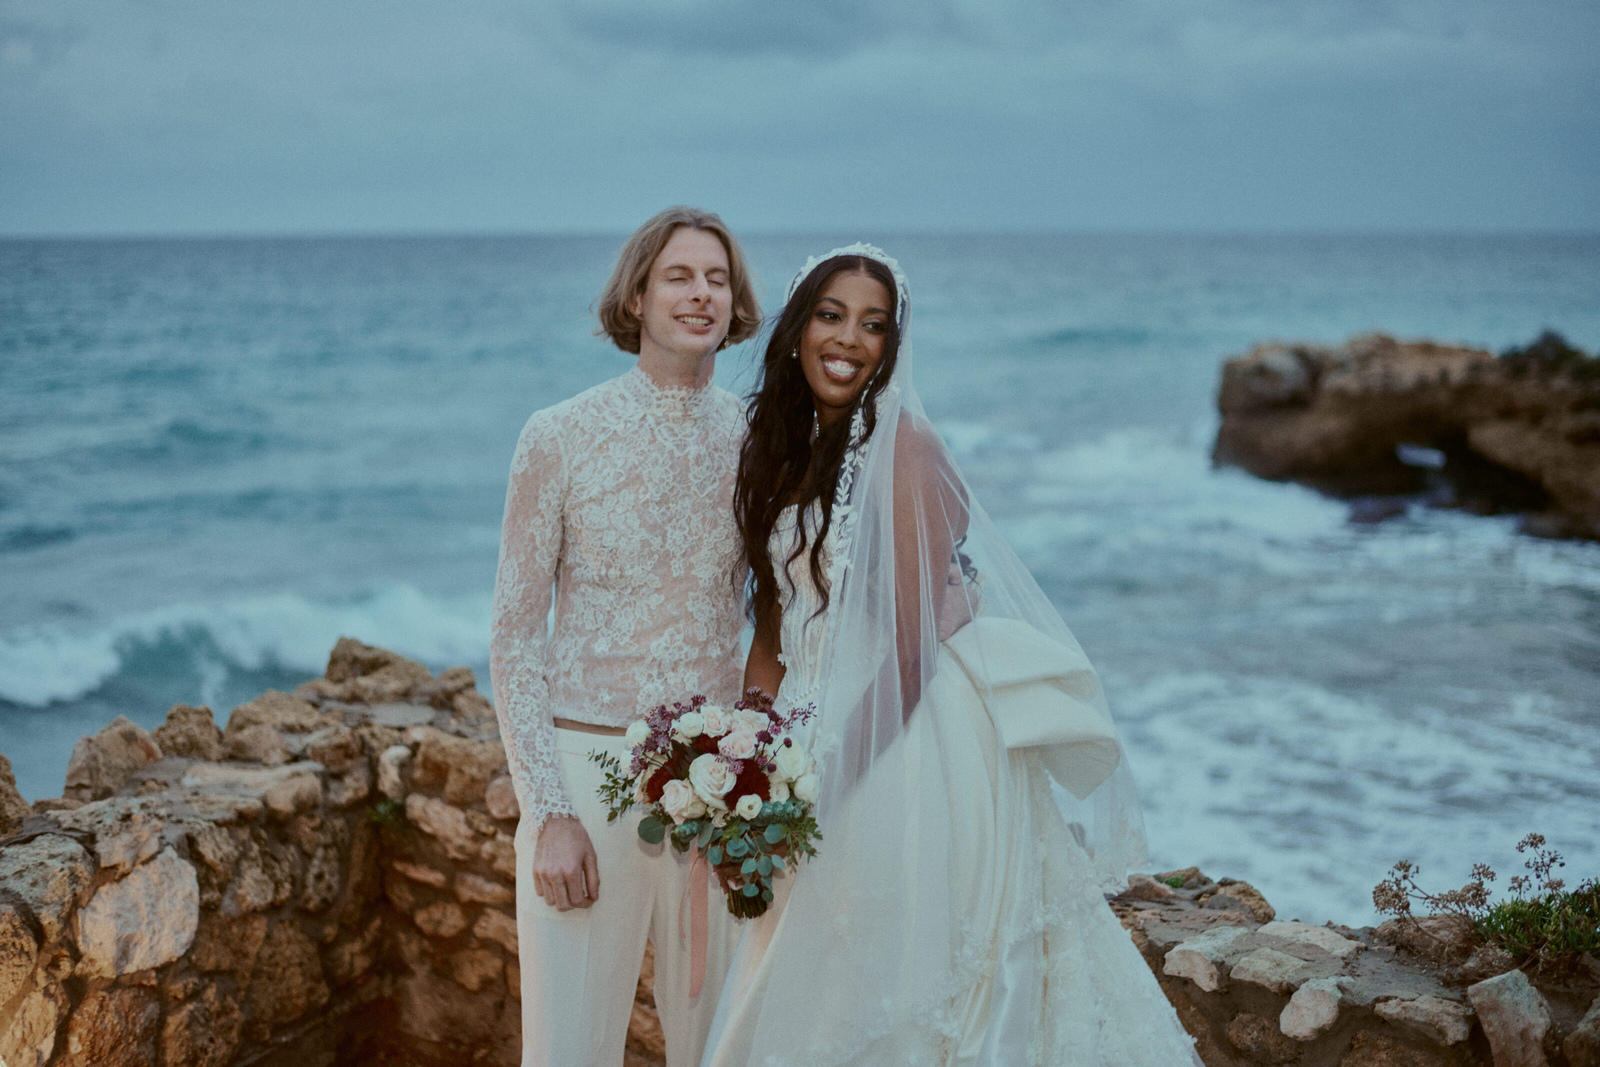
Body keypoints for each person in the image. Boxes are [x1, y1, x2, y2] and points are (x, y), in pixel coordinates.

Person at [700, 244, 1205, 1065]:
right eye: (831, 315)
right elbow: (771, 626)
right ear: (796, 330)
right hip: (806, 728)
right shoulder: (775, 448)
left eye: (873, 325)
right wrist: (751, 757)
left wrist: (821, 786)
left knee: (892, 985)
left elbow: (909, 651)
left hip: (908, 740)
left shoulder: (907, 450)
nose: (849, 339)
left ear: (892, 347)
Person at [489, 207, 761, 1067]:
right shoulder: (558, 435)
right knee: (569, 1048)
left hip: (718, 791)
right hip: (589, 774)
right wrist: (548, 813)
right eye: (679, 276)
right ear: (638, 295)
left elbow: (797, 600)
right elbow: (513, 634)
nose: (701, 293)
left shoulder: (759, 441)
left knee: (717, 1047)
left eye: (717, 278)